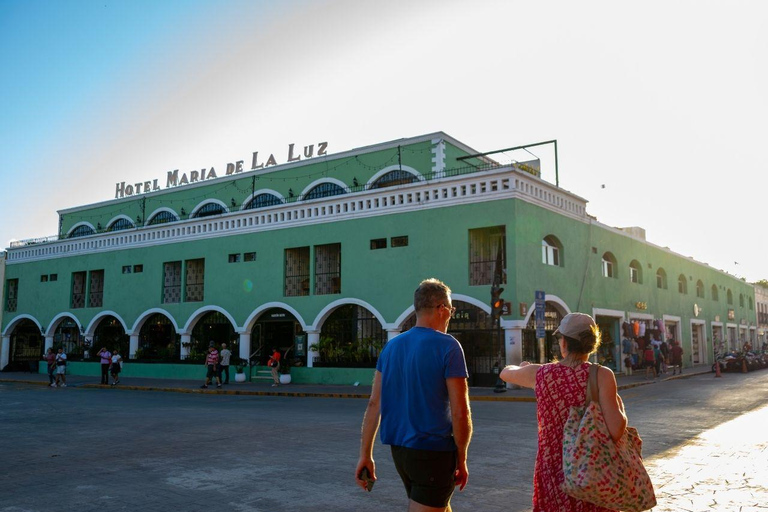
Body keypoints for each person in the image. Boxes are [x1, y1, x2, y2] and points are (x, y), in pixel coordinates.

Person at [355, 278, 472, 512]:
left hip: (400, 453)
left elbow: (374, 404)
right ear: (441, 309)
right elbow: (461, 412)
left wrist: (365, 455)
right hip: (434, 453)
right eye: (450, 310)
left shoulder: (391, 347)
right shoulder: (449, 346)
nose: (450, 315)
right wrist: (462, 458)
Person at [499, 312, 627, 512]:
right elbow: (617, 429)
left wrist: (524, 367)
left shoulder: (540, 373)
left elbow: (506, 373)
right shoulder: (603, 375)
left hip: (553, 471)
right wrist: (618, 404)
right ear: (591, 344)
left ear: (565, 343)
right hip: (593, 471)